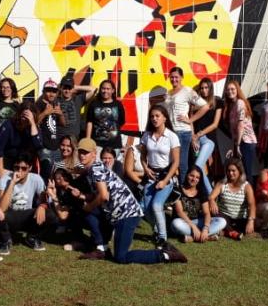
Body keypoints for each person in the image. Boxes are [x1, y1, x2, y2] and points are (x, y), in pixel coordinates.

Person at [77, 138, 187, 264]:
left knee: (121, 257)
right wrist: (83, 197)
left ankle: (165, 255)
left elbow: (103, 196)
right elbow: (102, 193)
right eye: (80, 152)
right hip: (118, 213)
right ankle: (102, 248)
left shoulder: (96, 169)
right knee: (89, 211)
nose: (82, 155)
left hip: (127, 214)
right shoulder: (95, 168)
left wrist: (89, 206)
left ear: (94, 154)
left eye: (85, 152)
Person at [0, 152, 56, 254]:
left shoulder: (36, 179)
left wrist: (42, 206)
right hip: (10, 216)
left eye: (23, 168)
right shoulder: (5, 178)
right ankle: (6, 240)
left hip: (26, 216)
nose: (19, 171)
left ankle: (32, 237)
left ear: (30, 168)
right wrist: (12, 183)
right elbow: (1, 208)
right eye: (16, 167)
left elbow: (44, 200)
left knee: (50, 214)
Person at [138, 104, 180, 247]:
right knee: (147, 209)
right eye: (152, 116)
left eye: (157, 116)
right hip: (151, 176)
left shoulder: (172, 137)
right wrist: (145, 168)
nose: (154, 119)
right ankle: (157, 229)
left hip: (166, 175)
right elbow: (143, 156)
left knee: (156, 205)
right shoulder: (146, 136)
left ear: (164, 118)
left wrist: (165, 181)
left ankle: (162, 238)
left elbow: (176, 162)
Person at [164, 67, 208, 184]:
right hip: (170, 132)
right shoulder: (168, 93)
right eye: (172, 77)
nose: (174, 79)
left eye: (176, 77)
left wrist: (190, 120)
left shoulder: (187, 91)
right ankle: (173, 188)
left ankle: (184, 190)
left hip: (183, 132)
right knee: (170, 161)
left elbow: (205, 106)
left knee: (181, 163)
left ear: (181, 78)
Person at [171, 166, 225, 243]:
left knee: (221, 221)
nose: (194, 179)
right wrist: (193, 227)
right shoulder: (178, 190)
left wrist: (205, 228)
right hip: (184, 222)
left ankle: (194, 237)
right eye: (191, 176)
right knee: (175, 224)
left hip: (198, 221)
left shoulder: (201, 192)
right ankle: (206, 236)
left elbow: (206, 213)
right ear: (187, 175)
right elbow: (180, 212)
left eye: (197, 177)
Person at [209, 159, 256, 240]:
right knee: (215, 214)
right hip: (224, 216)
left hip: (240, 218)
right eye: (228, 171)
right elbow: (211, 197)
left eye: (233, 171)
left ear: (240, 171)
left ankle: (225, 231)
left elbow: (252, 204)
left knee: (249, 225)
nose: (230, 173)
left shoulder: (246, 186)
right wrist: (212, 201)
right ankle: (232, 233)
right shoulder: (222, 183)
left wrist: (251, 221)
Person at [191, 77, 223, 194]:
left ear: (211, 88)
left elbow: (215, 124)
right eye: (202, 88)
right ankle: (206, 194)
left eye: (206, 88)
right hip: (195, 140)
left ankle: (211, 195)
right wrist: (193, 137)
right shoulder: (196, 103)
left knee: (198, 165)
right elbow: (191, 122)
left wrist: (199, 134)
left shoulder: (217, 102)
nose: (204, 90)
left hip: (208, 139)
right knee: (199, 168)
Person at [0, 103, 43, 176]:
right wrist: (0, 170)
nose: (25, 119)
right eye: (23, 115)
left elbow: (38, 145)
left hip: (27, 164)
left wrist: (32, 123)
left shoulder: (34, 127)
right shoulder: (8, 125)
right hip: (9, 162)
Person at [223, 79, 258, 182]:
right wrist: (233, 146)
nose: (230, 91)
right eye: (228, 89)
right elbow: (233, 131)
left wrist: (237, 146)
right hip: (239, 142)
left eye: (232, 89)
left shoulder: (240, 103)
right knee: (239, 171)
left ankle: (251, 197)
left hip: (246, 141)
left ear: (237, 90)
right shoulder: (231, 106)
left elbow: (240, 124)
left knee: (246, 170)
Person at [86, 79, 126, 154]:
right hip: (97, 144)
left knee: (113, 165)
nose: (105, 91)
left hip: (115, 144)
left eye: (108, 89)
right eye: (103, 88)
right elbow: (89, 122)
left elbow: (122, 121)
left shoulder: (118, 104)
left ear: (113, 90)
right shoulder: (94, 104)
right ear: (100, 90)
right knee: (97, 165)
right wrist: (88, 140)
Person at [35, 79, 66, 178]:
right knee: (46, 173)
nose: (51, 94)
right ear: (43, 91)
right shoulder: (38, 104)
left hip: (56, 147)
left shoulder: (56, 104)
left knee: (58, 174)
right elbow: (34, 123)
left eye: (54, 91)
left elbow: (63, 124)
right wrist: (45, 113)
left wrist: (61, 114)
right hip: (44, 147)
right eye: (48, 91)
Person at [56, 75, 95, 140]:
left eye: (69, 88)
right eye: (65, 88)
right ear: (61, 88)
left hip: (74, 138)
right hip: (60, 137)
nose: (67, 91)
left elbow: (93, 90)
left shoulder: (78, 99)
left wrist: (76, 87)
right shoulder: (56, 100)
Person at [0, 77, 21, 150]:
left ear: (12, 89)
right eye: (3, 87)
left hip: (13, 142)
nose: (5, 89)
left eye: (8, 87)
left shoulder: (17, 105)